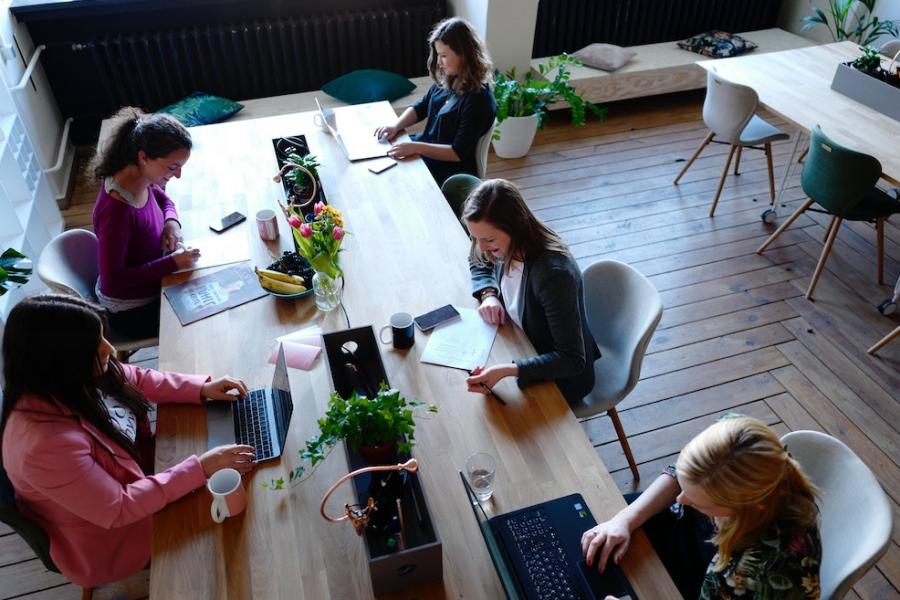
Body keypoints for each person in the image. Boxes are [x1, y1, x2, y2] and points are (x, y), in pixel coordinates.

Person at [0, 294, 256, 588]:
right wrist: (201, 468)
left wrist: (201, 388)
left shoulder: (68, 375)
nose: (110, 348)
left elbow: (134, 377)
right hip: (113, 538)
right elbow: (119, 507)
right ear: (60, 361)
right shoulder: (42, 447)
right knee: (237, 546)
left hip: (144, 471)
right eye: (96, 345)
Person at [581, 416, 821, 600]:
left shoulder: (760, 575)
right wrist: (625, 519)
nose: (681, 499)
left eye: (697, 501)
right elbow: (682, 474)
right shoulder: (734, 437)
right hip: (689, 537)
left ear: (742, 506)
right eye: (683, 487)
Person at [462, 179, 599, 404]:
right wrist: (489, 294)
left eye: (488, 240)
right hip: (521, 342)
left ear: (515, 227)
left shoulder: (552, 275)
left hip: (560, 377)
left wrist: (509, 370)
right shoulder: (504, 241)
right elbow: (478, 258)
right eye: (476, 238)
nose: (482, 246)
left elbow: (572, 359)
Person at [91, 107, 200, 340]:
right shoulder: (116, 211)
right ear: (143, 157)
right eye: (172, 167)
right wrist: (171, 263)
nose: (178, 175)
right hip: (132, 311)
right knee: (203, 321)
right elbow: (114, 281)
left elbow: (161, 197)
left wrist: (171, 222)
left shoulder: (139, 176)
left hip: (154, 277)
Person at [374, 17, 496, 186]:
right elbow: (420, 107)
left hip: (449, 170)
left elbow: (457, 153)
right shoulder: (448, 80)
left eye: (444, 56)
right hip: (426, 151)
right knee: (383, 158)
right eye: (438, 55)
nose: (439, 62)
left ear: (464, 54)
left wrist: (416, 148)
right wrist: (396, 126)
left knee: (392, 176)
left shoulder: (479, 101)